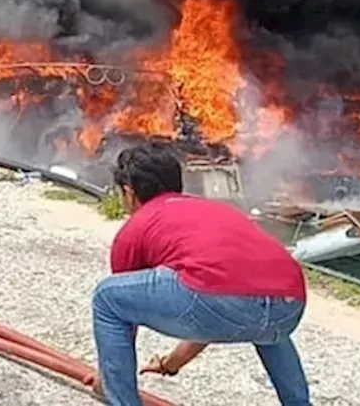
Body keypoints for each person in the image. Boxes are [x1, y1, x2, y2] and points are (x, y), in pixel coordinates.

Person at [85, 142, 311, 406]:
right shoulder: (214, 210)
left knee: (107, 297)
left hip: (218, 300)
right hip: (289, 306)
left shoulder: (136, 228)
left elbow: (125, 322)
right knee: (265, 318)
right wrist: (172, 363)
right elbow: (223, 306)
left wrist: (108, 380)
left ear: (129, 193)